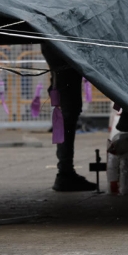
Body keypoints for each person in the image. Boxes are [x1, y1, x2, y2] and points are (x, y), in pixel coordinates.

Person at [39, 43, 99, 191]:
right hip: (63, 54)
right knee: (68, 114)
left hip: (60, 54)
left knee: (68, 113)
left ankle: (65, 171)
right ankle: (65, 172)